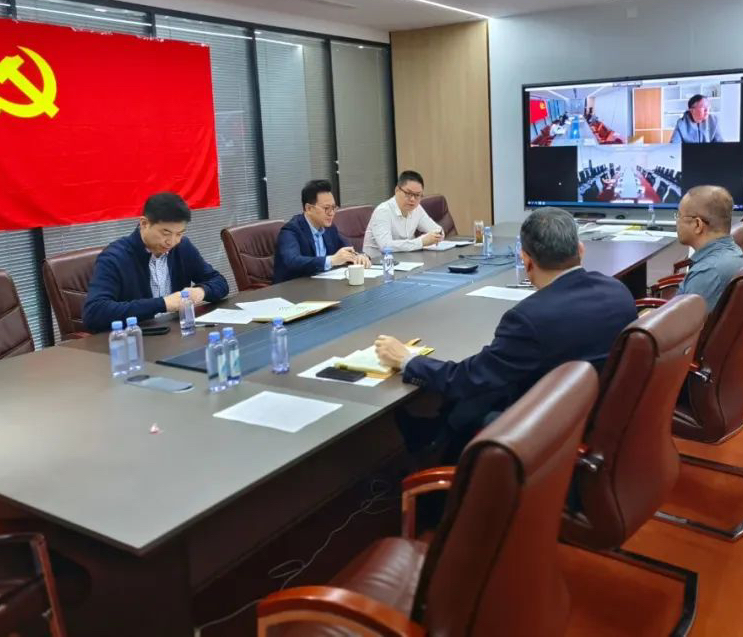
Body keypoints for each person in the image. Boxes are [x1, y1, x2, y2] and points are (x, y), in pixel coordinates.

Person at [374, 207, 636, 454]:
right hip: (602, 416)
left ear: (526, 260)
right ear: (580, 250)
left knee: (481, 389)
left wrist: (408, 360)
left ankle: (438, 445)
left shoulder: (528, 318)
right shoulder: (619, 291)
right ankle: (439, 431)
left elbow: (467, 379)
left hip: (548, 431)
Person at [82, 192, 229, 332]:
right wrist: (163, 304)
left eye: (179, 234)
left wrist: (201, 292)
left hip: (176, 333)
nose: (171, 241)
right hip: (137, 337)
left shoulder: (182, 247)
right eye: (165, 233)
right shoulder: (114, 257)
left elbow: (220, 282)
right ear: (144, 223)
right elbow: (94, 312)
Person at [273, 179, 370, 283]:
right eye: (326, 208)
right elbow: (292, 261)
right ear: (309, 208)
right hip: (294, 288)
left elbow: (347, 247)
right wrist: (331, 260)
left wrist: (360, 256)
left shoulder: (329, 228)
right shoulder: (291, 230)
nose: (331, 213)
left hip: (322, 285)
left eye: (333, 208)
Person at [675, 185, 743, 310]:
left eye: (679, 216)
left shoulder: (707, 273)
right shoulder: (735, 254)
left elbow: (679, 320)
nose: (677, 222)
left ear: (697, 224)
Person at [362, 170, 444, 261]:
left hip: (405, 261)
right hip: (378, 263)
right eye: (408, 194)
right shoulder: (383, 211)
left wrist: (437, 236)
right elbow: (385, 246)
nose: (412, 199)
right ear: (397, 190)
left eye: (417, 195)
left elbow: (438, 230)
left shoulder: (417, 209)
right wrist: (421, 242)